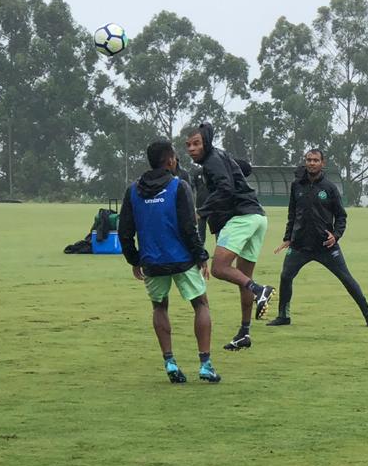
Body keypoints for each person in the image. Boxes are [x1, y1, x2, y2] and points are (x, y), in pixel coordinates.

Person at [117, 139, 218, 384]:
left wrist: (134, 259)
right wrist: (201, 255)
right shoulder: (178, 186)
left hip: (152, 262)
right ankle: (205, 365)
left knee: (159, 307)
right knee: (201, 304)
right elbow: (188, 226)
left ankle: (170, 362)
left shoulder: (132, 190)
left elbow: (124, 231)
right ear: (170, 160)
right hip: (182, 260)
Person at [184, 123, 276, 351]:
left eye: (196, 144)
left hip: (241, 218)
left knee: (219, 269)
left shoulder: (211, 161)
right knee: (241, 277)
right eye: (188, 145)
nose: (191, 149)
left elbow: (225, 189)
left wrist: (201, 212)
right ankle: (244, 333)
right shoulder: (218, 157)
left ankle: (260, 290)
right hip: (257, 217)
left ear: (206, 142)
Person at [266, 148, 368, 328]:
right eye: (309, 160)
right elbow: (292, 214)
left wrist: (336, 235)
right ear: (305, 162)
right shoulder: (297, 186)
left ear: (322, 163)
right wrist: (288, 238)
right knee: (286, 276)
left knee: (347, 279)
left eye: (315, 160)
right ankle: (283, 316)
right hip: (300, 245)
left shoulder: (329, 188)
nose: (311, 163)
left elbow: (341, 216)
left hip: (326, 246)